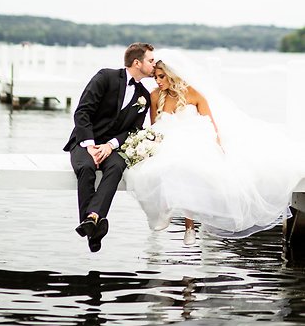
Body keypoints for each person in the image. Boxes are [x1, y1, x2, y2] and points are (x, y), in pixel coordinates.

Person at [125, 48, 305, 245]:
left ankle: (190, 226)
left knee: (190, 167)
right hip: (169, 140)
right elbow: (155, 126)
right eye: (155, 77)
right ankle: (162, 212)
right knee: (155, 169)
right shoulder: (155, 95)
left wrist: (218, 147)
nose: (158, 81)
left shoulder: (193, 94)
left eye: (161, 76)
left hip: (195, 138)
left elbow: (211, 124)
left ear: (171, 75)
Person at [63, 42, 155, 252]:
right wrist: (90, 145)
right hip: (84, 141)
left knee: (116, 167)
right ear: (136, 62)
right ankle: (93, 227)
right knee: (86, 168)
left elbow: (133, 130)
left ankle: (91, 219)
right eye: (150, 60)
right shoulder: (106, 77)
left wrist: (111, 145)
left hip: (112, 147)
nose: (154, 64)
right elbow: (82, 112)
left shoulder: (145, 97)